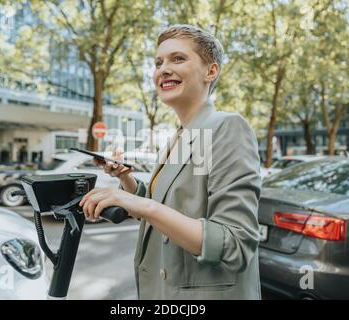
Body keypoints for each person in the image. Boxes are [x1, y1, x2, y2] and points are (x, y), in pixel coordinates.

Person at [79, 24, 262, 299]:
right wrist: (125, 179)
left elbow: (234, 244)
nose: (163, 69)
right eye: (158, 62)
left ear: (211, 71)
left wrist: (137, 203)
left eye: (178, 59)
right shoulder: (179, 137)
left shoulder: (227, 127)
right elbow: (164, 204)